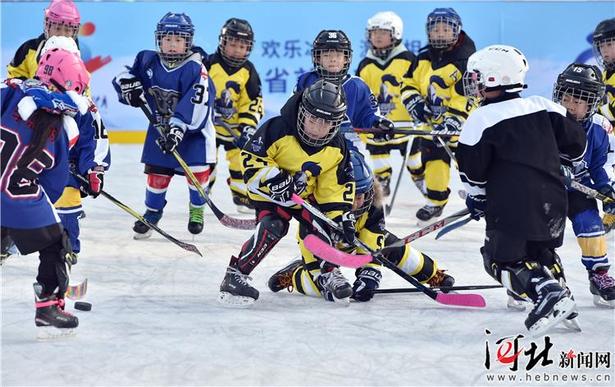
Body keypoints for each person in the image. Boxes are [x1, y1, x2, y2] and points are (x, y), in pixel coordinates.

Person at [457, 45, 587, 334]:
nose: (473, 82)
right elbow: (577, 145)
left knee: (499, 260)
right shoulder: (545, 106)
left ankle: (547, 294)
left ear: (493, 79)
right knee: (540, 251)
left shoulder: (481, 119)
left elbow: (471, 171)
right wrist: (559, 164)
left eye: (477, 76)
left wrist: (477, 198)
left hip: (511, 205)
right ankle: (561, 293)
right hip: (553, 201)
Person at [218, 80, 355, 306]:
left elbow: (334, 187)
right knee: (274, 226)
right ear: (302, 112)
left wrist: (340, 217)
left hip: (305, 198)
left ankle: (327, 273)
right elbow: (251, 162)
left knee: (324, 225)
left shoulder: (337, 146)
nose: (318, 128)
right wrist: (274, 179)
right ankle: (235, 275)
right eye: (313, 119)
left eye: (326, 122)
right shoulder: (277, 129)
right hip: (271, 196)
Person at [267, 150, 455, 304]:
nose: (356, 203)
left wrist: (369, 274)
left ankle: (432, 274)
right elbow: (309, 244)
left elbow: (374, 240)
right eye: (351, 196)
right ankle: (294, 275)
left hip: (360, 241)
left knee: (393, 247)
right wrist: (322, 273)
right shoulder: (316, 206)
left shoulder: (373, 202)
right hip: (323, 251)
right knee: (330, 293)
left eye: (361, 195)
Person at [1, 48, 90, 335]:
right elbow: (53, 185)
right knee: (56, 243)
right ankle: (48, 307)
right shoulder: (64, 128)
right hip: (21, 201)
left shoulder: (10, 92)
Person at [112, 12, 216, 238]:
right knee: (157, 174)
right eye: (167, 39)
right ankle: (152, 212)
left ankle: (197, 209)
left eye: (178, 40)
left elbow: (196, 105)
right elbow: (124, 74)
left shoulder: (195, 68)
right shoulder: (147, 60)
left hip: (192, 132)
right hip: (159, 127)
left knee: (197, 172)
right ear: (159, 39)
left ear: (188, 42)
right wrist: (127, 86)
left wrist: (178, 130)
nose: (172, 45)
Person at [401, 8, 476, 221]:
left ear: (457, 31)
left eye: (446, 29)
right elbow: (408, 83)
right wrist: (413, 101)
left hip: (464, 126)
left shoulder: (468, 60)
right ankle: (436, 200)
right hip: (433, 124)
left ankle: (486, 198)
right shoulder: (423, 57)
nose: (440, 33)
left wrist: (455, 118)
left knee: (471, 163)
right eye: (435, 29)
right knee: (434, 160)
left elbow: (467, 95)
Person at [553, 63, 615, 308]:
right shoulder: (546, 119)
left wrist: (607, 189)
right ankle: (537, 279)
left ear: (592, 104)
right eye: (566, 97)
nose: (570, 105)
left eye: (579, 101)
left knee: (591, 226)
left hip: (579, 187)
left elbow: (600, 166)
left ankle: (598, 274)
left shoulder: (600, 128)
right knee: (541, 235)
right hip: (547, 189)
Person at [295, 30, 394, 163]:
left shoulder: (357, 86)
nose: (333, 59)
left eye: (338, 54)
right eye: (327, 54)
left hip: (347, 148)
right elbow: (291, 113)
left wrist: (378, 124)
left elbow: (368, 115)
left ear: (346, 58)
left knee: (358, 175)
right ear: (317, 58)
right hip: (309, 145)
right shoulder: (305, 81)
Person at [356, 11, 419, 196]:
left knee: (416, 162)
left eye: (382, 32)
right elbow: (361, 94)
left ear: (395, 33)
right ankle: (382, 184)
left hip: (408, 125)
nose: (377, 37)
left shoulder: (408, 60)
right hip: (378, 125)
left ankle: (424, 184)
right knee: (378, 157)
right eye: (374, 33)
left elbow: (418, 86)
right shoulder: (365, 64)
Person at [206, 18, 264, 213]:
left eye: (242, 46)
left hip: (235, 130)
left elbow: (252, 101)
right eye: (233, 44)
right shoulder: (209, 64)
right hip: (209, 128)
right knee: (206, 160)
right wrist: (204, 113)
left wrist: (247, 126)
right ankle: (202, 190)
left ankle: (240, 195)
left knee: (241, 161)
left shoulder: (248, 71)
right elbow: (197, 91)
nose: (237, 50)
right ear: (223, 42)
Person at [7, 0, 81, 80]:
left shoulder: (77, 59)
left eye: (67, 30)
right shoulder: (29, 49)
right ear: (47, 26)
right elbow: (14, 75)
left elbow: (83, 86)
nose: (62, 34)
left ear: (74, 31)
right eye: (57, 28)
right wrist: (27, 86)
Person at [593, 18, 615, 125]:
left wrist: (596, 113)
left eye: (609, 44)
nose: (604, 50)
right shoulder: (604, 75)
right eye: (601, 46)